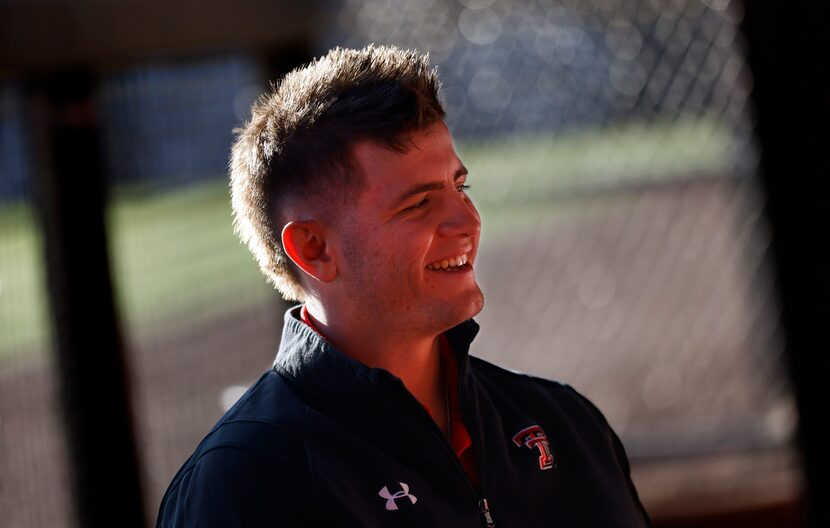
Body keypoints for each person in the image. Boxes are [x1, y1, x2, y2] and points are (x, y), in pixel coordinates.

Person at [156, 45, 652, 527]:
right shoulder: (244, 481)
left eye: (460, 187)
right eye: (418, 204)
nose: (467, 222)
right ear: (314, 249)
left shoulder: (564, 424)